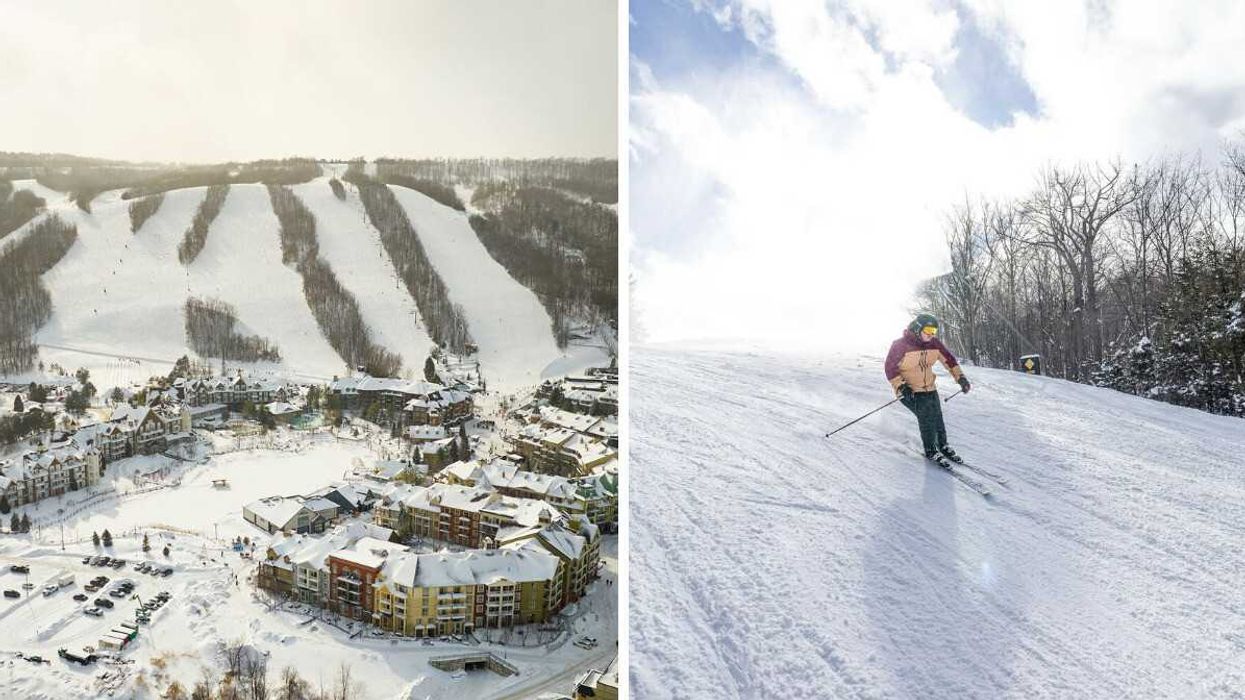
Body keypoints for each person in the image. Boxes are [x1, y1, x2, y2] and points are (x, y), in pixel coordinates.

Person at [884, 313, 971, 466]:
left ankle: (943, 446)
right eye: (928, 330)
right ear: (917, 329)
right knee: (926, 417)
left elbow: (949, 361)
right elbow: (890, 368)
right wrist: (901, 386)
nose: (931, 335)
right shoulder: (900, 345)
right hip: (909, 390)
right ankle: (931, 449)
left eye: (934, 331)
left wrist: (961, 378)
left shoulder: (934, 344)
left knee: (937, 416)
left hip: (929, 387)